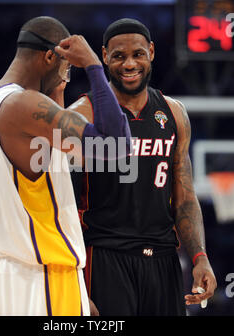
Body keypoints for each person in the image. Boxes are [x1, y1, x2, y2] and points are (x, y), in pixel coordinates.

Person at [0, 16, 132, 316]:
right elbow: (116, 144)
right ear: (50, 56)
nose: (67, 76)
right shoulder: (23, 105)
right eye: (65, 68)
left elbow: (50, 162)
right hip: (42, 274)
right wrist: (93, 65)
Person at [69, 18, 217, 315]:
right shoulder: (82, 113)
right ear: (103, 56)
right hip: (106, 258)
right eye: (119, 56)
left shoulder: (174, 113)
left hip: (163, 259)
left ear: (151, 51)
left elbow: (185, 196)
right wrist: (73, 280)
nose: (129, 64)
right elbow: (62, 204)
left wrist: (200, 255)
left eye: (137, 53)